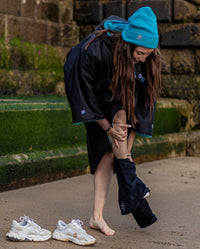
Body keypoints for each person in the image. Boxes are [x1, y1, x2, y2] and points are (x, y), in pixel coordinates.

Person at [64, 6, 161, 236]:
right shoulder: (94, 50)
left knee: (119, 148)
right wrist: (107, 128)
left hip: (120, 94)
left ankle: (126, 191)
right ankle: (107, 210)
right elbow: (83, 92)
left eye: (148, 53)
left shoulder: (147, 58)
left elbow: (142, 103)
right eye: (140, 53)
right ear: (128, 44)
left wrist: (125, 146)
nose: (143, 58)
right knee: (104, 153)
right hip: (93, 92)